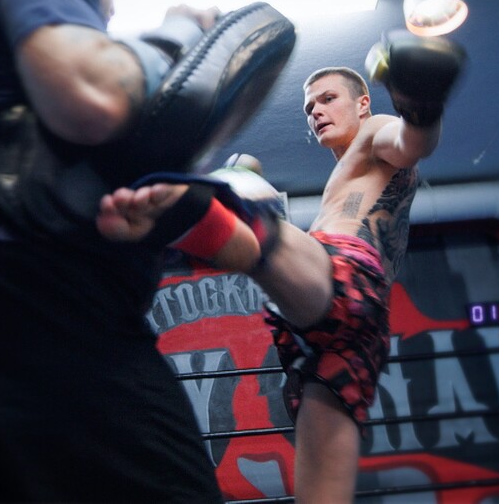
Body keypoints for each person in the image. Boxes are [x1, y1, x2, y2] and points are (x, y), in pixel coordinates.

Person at [0, 0, 294, 500]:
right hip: (25, 297)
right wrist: (179, 32)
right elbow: (95, 97)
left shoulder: (48, 122)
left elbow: (241, 248)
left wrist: (171, 206)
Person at [98, 32, 466, 502]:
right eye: (310, 107)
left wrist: (420, 106)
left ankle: (199, 207)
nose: (316, 111)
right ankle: (213, 209)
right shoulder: (351, 175)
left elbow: (413, 142)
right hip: (356, 334)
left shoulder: (375, 132)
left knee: (250, 208)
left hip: (345, 279)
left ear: (363, 104)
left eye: (328, 99)